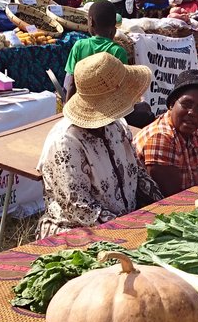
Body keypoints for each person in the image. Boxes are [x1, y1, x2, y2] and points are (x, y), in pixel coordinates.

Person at [37, 52, 161, 237]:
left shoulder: (117, 126)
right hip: (78, 233)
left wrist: (162, 206)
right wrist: (127, 229)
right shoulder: (66, 142)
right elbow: (79, 208)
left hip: (124, 222)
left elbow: (137, 172)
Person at [134, 69, 198, 196]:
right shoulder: (160, 138)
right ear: (172, 104)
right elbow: (170, 199)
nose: (192, 113)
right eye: (186, 104)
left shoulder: (195, 136)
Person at [63, 1, 130, 97]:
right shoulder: (118, 51)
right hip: (109, 106)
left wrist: (67, 106)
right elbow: (122, 85)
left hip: (84, 103)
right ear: (114, 25)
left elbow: (70, 83)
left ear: (91, 22)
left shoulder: (79, 46)